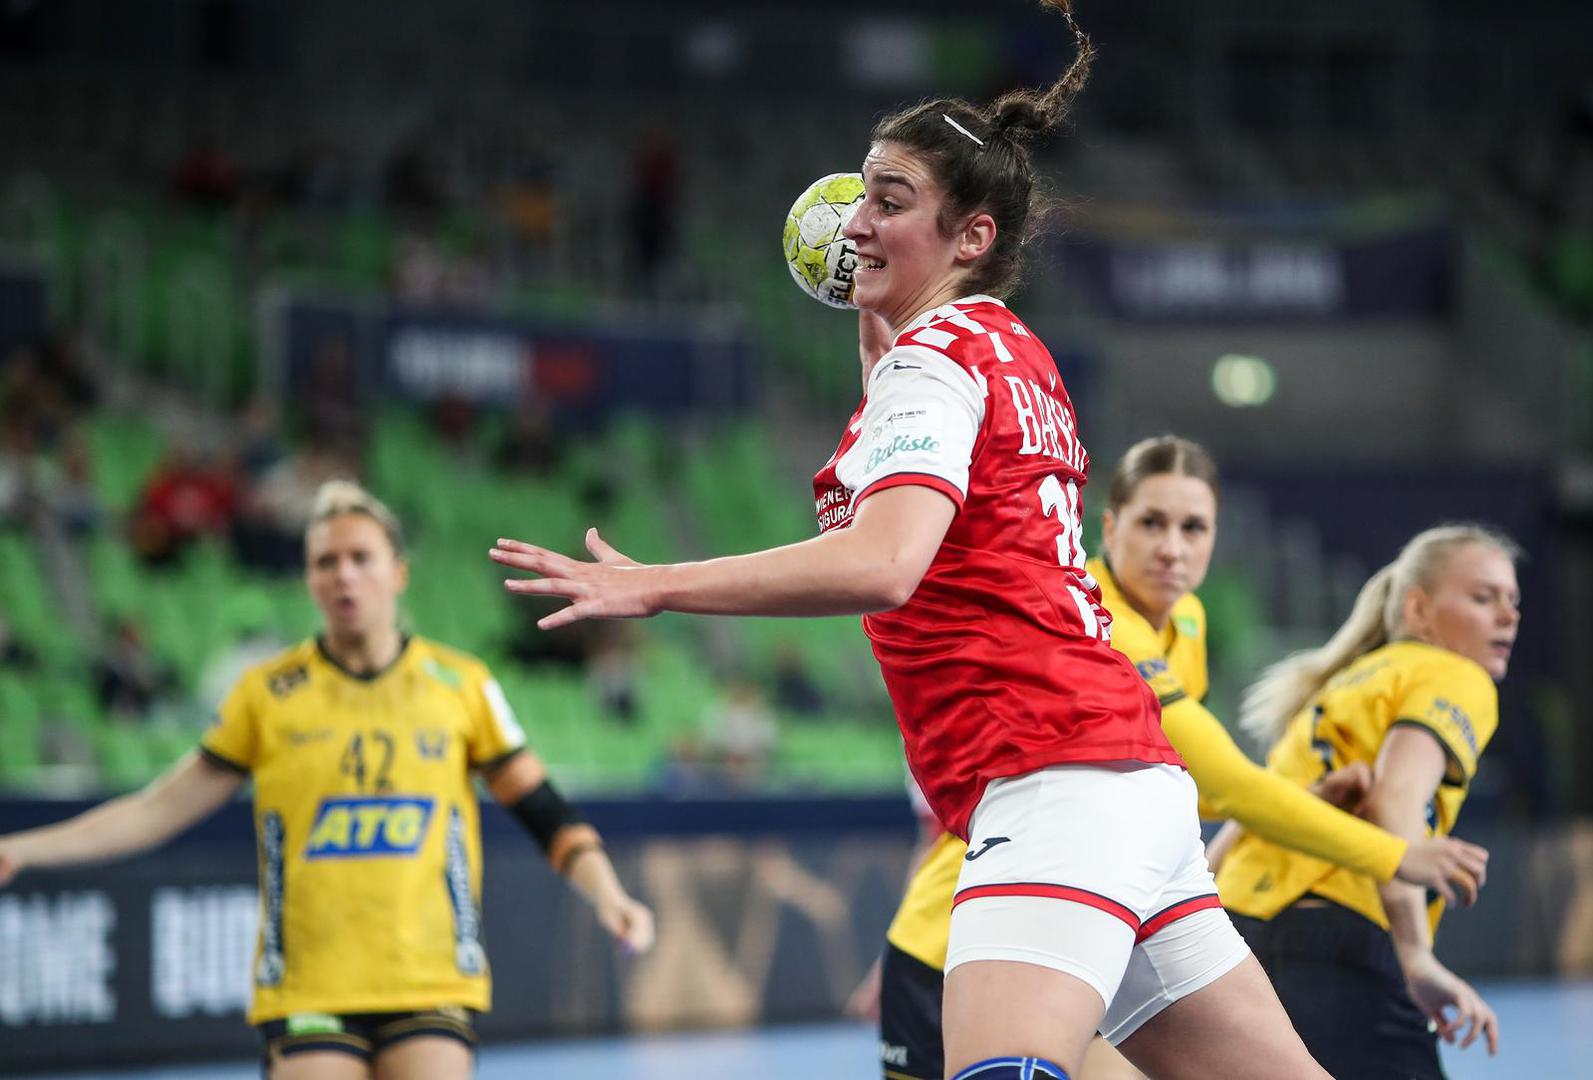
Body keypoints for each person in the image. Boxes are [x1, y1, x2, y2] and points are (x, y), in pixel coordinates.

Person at [490, 6, 1336, 1076]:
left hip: (1048, 776)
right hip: (1124, 777)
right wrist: (879, 353)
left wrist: (658, 584)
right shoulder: (1006, 346)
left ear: (970, 237)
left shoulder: (933, 362)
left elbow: (885, 564)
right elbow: (946, 506)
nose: (854, 222)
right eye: (859, 196)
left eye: (888, 201)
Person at [859, 436, 1491, 1080]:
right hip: (968, 939)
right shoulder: (1091, 622)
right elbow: (1226, 784)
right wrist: (1395, 854)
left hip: (1103, 929)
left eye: (1194, 528)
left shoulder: (1186, 619)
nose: (1172, 548)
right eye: (1151, 523)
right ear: (1109, 528)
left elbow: (1183, 793)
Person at [0, 480, 654, 1080]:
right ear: (309, 580)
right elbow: (155, 811)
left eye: (360, 557)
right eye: (325, 562)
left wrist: (608, 893)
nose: (343, 574)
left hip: (430, 978)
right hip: (308, 985)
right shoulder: (267, 694)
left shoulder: (461, 686)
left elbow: (542, 810)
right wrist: (21, 848)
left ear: (398, 571)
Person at [1211, 524, 1517, 1078]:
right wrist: (1415, 955)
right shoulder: (1456, 675)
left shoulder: (1340, 686)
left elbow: (1257, 812)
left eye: (1512, 601)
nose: (1507, 615)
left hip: (1237, 930)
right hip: (1337, 939)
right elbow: (1392, 800)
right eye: (1483, 597)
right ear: (1419, 610)